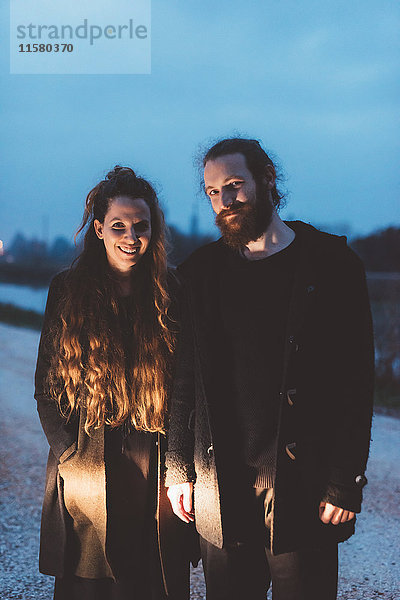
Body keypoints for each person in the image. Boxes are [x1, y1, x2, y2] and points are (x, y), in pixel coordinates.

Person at [165, 138, 374, 600]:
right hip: (222, 488)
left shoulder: (331, 264)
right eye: (213, 191)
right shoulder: (200, 274)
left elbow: (357, 383)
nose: (225, 201)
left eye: (235, 185)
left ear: (267, 180)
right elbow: (185, 380)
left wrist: (345, 482)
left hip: (303, 486)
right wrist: (179, 469)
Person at [35, 166, 194, 600]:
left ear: (154, 231)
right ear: (99, 229)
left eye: (141, 226)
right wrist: (69, 453)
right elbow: (46, 389)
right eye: (119, 225)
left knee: (151, 577)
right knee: (89, 580)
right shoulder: (66, 290)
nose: (131, 237)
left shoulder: (171, 292)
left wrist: (179, 466)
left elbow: (184, 387)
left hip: (153, 458)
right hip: (89, 454)